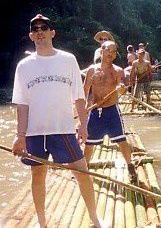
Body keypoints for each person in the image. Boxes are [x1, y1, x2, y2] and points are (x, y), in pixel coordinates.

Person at [11, 14, 108, 228]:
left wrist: (83, 125)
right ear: (31, 35)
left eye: (44, 28)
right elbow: (22, 104)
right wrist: (20, 137)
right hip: (35, 132)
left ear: (52, 33)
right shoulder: (24, 66)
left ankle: (94, 218)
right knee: (38, 176)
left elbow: (79, 96)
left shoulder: (68, 60)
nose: (39, 31)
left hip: (62, 129)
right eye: (35, 29)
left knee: (82, 172)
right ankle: (42, 222)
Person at [83, 40, 137, 183]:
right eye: (108, 50)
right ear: (101, 51)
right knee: (89, 142)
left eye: (113, 51)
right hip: (95, 111)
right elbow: (84, 90)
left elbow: (122, 86)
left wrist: (122, 88)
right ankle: (84, 169)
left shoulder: (118, 70)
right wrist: (83, 110)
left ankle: (131, 167)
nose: (110, 54)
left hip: (112, 110)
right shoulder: (91, 70)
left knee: (121, 140)